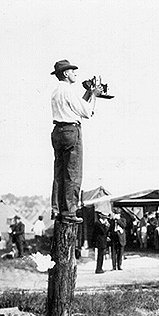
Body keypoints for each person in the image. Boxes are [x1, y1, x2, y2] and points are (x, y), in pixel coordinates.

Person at [50, 59, 102, 224]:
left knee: (59, 173)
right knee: (73, 173)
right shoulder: (68, 91)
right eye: (72, 71)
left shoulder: (56, 91)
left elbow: (75, 106)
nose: (75, 74)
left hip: (58, 131)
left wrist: (88, 94)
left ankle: (57, 210)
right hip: (71, 130)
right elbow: (86, 112)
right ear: (66, 74)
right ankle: (70, 211)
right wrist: (94, 95)